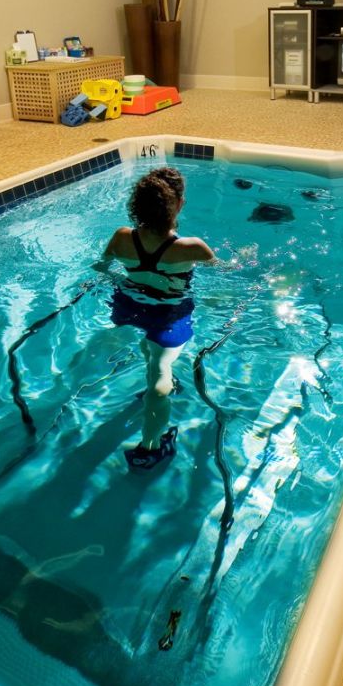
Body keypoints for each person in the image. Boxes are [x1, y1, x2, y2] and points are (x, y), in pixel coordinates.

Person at [93, 167, 215, 470]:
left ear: (137, 206)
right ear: (179, 205)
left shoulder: (122, 237)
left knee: (151, 349)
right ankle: (150, 446)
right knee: (161, 372)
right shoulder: (191, 247)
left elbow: (102, 267)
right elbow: (222, 274)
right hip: (168, 315)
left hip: (128, 306)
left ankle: (155, 383)